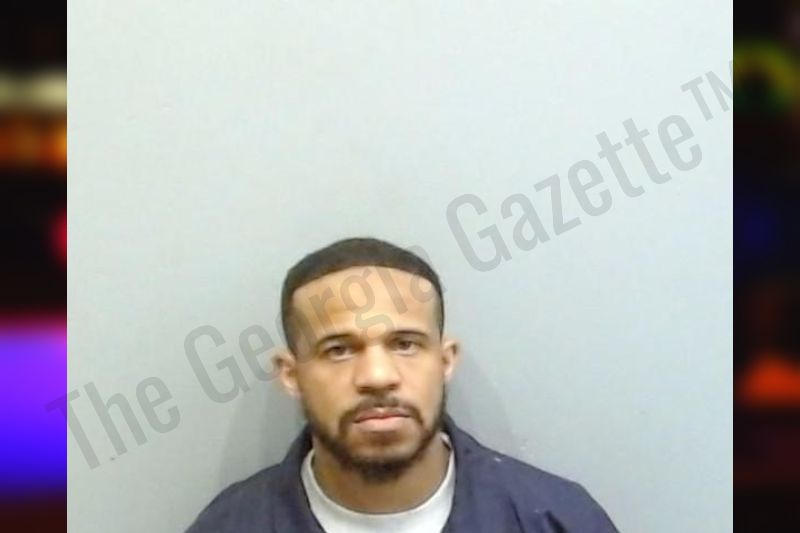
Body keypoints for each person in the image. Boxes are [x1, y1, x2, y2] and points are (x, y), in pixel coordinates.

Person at [186, 237, 618, 532]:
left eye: (405, 344)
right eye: (339, 350)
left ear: (445, 361)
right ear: (291, 374)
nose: (378, 376)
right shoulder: (229, 527)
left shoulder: (557, 520)